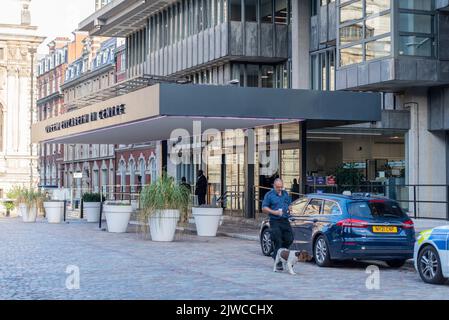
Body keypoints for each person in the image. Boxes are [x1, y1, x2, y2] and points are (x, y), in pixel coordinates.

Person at [262, 178, 293, 271]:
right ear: (274, 186)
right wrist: (274, 212)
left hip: (285, 220)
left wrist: (290, 209)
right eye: (278, 187)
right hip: (274, 220)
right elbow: (264, 208)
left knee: (289, 239)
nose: (280, 189)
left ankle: (279, 254)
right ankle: (278, 260)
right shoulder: (269, 195)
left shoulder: (285, 194)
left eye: (281, 187)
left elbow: (289, 204)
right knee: (278, 240)